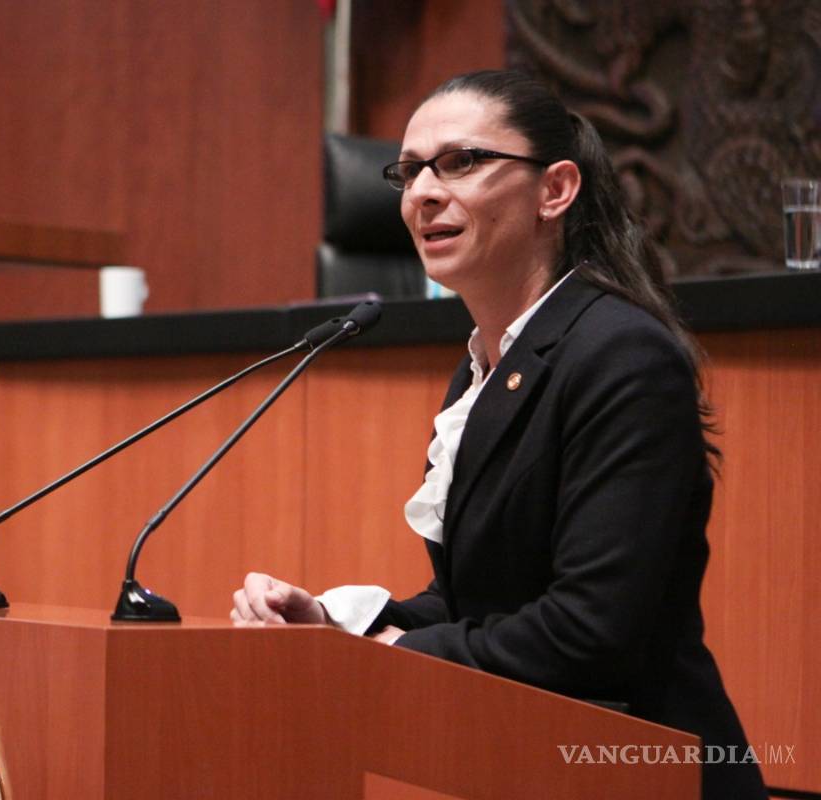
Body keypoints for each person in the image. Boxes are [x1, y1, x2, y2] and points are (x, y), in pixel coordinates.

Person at [230, 70, 766, 800]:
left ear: (556, 190)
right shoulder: (486, 367)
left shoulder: (621, 354)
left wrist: (399, 649)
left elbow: (590, 632)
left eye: (461, 162)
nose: (422, 192)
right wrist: (335, 624)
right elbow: (477, 607)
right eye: (410, 170)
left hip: (642, 770)